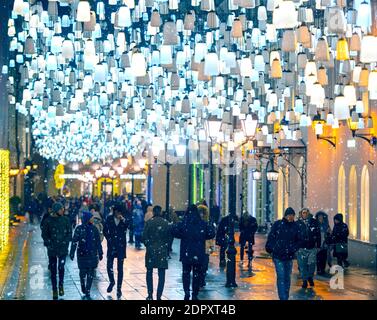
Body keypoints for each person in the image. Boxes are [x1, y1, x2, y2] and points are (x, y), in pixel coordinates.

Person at [172, 205, 216, 300]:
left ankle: (187, 292)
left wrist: (183, 235)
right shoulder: (202, 223)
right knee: (197, 273)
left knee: (186, 273)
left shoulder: (184, 223)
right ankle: (195, 294)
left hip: (186, 252)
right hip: (198, 252)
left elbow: (174, 231)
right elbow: (211, 233)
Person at [265, 207, 299, 300]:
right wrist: (272, 248)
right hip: (278, 255)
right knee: (281, 276)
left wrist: (293, 248)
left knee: (287, 277)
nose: (291, 217)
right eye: (289, 215)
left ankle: (285, 296)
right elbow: (271, 237)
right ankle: (283, 297)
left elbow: (299, 240)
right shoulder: (278, 224)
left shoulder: (295, 226)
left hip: (289, 256)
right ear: (285, 215)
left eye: (292, 215)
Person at [41, 202, 72, 300]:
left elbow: (69, 232)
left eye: (63, 209)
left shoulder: (65, 220)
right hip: (52, 249)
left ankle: (61, 285)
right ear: (56, 210)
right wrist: (48, 243)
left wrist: (66, 242)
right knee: (53, 270)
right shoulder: (48, 221)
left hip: (62, 248)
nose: (63, 210)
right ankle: (54, 289)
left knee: (61, 267)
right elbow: (44, 234)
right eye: (61, 209)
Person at [69, 211, 103, 300]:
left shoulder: (94, 229)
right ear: (87, 219)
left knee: (91, 272)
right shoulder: (79, 229)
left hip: (92, 254)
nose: (93, 219)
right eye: (91, 217)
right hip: (82, 254)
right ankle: (83, 285)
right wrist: (72, 252)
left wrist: (100, 252)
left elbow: (98, 242)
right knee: (82, 272)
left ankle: (88, 290)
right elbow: (74, 241)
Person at [142, 205, 172, 300]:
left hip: (151, 250)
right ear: (161, 211)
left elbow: (144, 237)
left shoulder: (149, 223)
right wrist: (166, 246)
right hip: (162, 251)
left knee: (149, 272)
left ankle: (150, 294)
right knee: (161, 274)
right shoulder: (166, 223)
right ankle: (159, 295)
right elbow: (170, 237)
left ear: (153, 212)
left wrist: (148, 245)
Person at [103, 204, 129, 299]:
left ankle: (119, 288)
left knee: (120, 268)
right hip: (112, 245)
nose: (118, 213)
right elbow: (105, 230)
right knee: (109, 265)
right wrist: (109, 239)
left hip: (121, 246)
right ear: (114, 211)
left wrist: (123, 220)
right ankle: (112, 281)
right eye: (117, 211)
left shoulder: (123, 220)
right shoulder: (109, 218)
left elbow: (128, 227)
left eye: (120, 212)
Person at [296, 208, 321, 288]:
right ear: (301, 214)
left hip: (311, 247)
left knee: (311, 264)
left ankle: (310, 277)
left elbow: (318, 234)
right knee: (302, 265)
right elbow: (294, 235)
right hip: (301, 248)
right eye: (303, 213)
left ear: (308, 213)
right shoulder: (298, 223)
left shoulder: (313, 222)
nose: (305, 214)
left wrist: (318, 245)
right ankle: (304, 281)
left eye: (306, 213)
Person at [198, 204, 211, 288]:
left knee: (204, 264)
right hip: (201, 247)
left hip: (203, 247)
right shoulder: (206, 223)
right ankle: (201, 279)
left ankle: (201, 279)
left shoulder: (206, 223)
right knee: (202, 264)